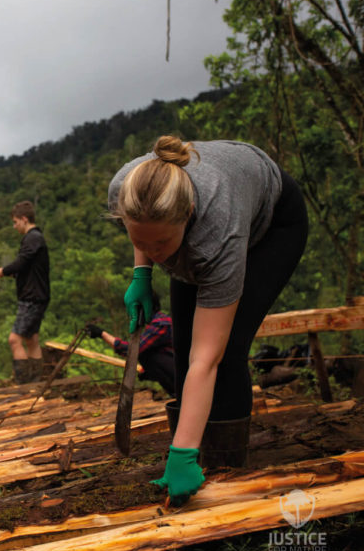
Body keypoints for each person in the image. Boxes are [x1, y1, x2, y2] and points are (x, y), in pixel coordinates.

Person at [108, 136, 307, 505]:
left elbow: (206, 359)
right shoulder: (126, 188)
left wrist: (180, 453)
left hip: (272, 224)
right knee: (183, 349)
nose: (153, 254)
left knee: (222, 353)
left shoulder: (217, 234)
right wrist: (142, 274)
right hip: (191, 225)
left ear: (188, 213)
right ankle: (189, 456)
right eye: (142, 242)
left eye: (160, 246)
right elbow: (149, 227)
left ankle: (224, 473)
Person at [0, 201, 50, 384]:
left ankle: (23, 385)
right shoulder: (34, 239)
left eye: (15, 222)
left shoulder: (33, 238)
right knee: (31, 339)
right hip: (36, 296)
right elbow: (25, 268)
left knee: (14, 340)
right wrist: (4, 272)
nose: (14, 226)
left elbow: (21, 262)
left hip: (32, 298)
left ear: (24, 219)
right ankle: (35, 383)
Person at [84, 293, 175, 396]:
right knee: (146, 355)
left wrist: (101, 333)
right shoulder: (158, 322)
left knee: (145, 355)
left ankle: (177, 393)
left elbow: (132, 350)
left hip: (182, 373)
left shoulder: (160, 324)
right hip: (178, 370)